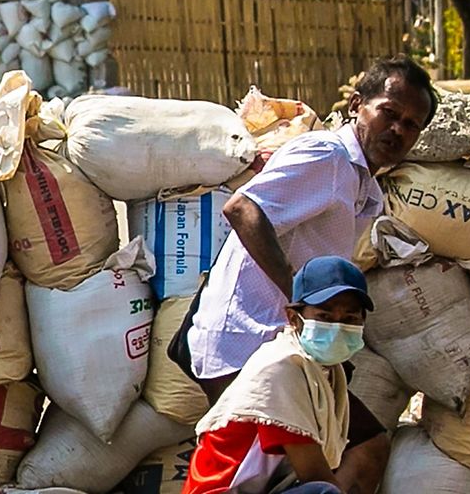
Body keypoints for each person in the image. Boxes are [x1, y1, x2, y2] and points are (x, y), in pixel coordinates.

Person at [178, 55, 437, 487]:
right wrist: (299, 300)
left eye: (411, 124)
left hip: (289, 349)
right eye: (389, 113)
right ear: (357, 104)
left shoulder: (362, 186)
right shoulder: (327, 157)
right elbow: (242, 209)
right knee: (302, 468)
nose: (397, 130)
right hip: (250, 343)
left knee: (355, 451)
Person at [184, 256, 375, 494]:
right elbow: (314, 473)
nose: (337, 327)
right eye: (324, 317)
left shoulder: (325, 372)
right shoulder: (280, 370)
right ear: (294, 318)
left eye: (349, 319)